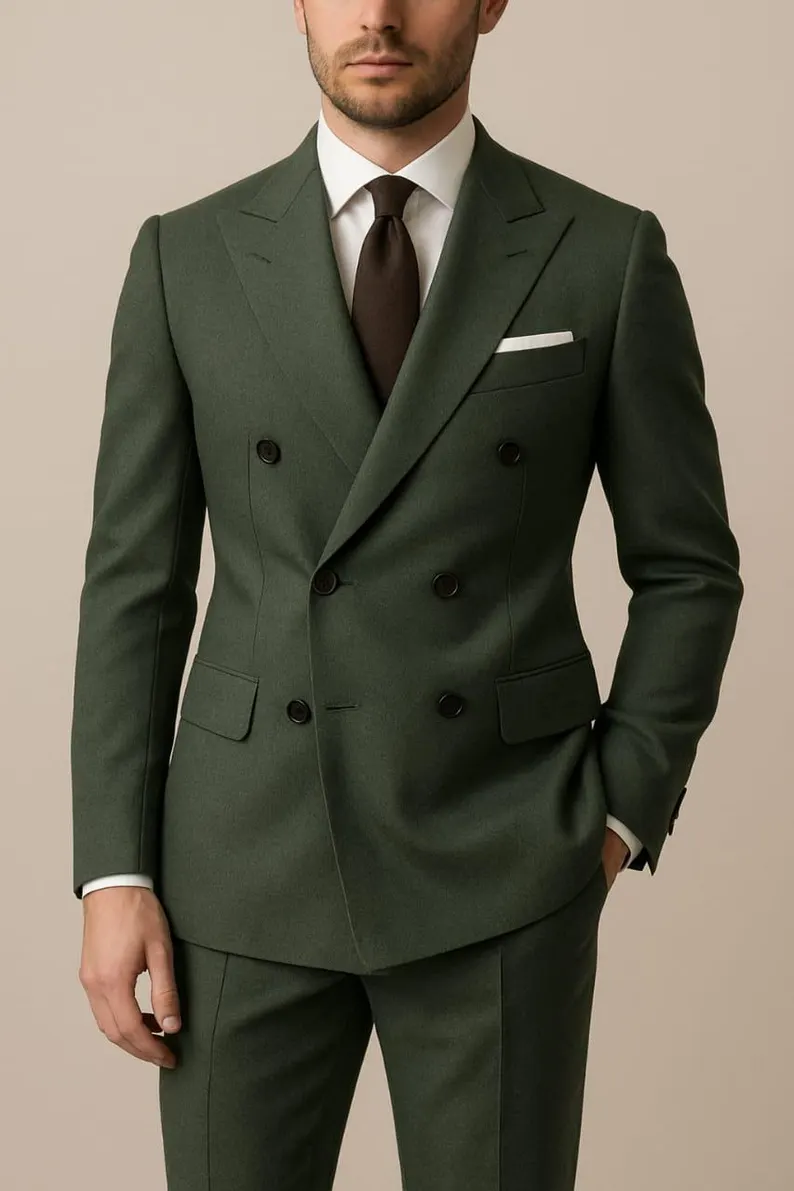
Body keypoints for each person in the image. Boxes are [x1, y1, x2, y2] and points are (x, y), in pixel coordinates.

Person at [71, 1, 744, 1187]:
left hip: (503, 855)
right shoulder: (187, 257)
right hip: (243, 865)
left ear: (489, 3)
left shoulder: (601, 251)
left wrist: (615, 815)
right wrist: (114, 871)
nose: (377, 14)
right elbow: (136, 587)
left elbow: (687, 568)